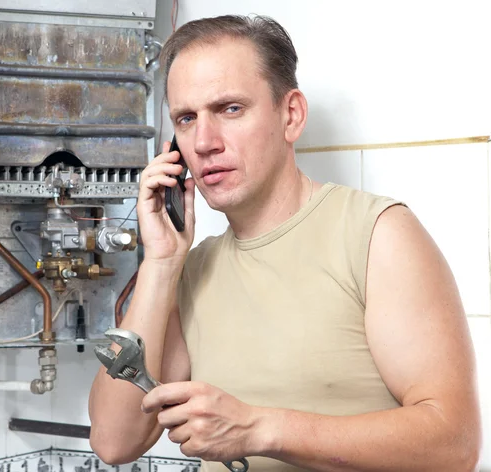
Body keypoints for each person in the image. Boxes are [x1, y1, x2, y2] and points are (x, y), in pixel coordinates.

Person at [88, 14, 481, 471]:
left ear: (290, 114)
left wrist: (260, 429)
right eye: (187, 119)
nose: (205, 141)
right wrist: (160, 262)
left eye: (230, 109)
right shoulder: (190, 270)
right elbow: (114, 443)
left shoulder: (377, 234)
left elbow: (454, 444)